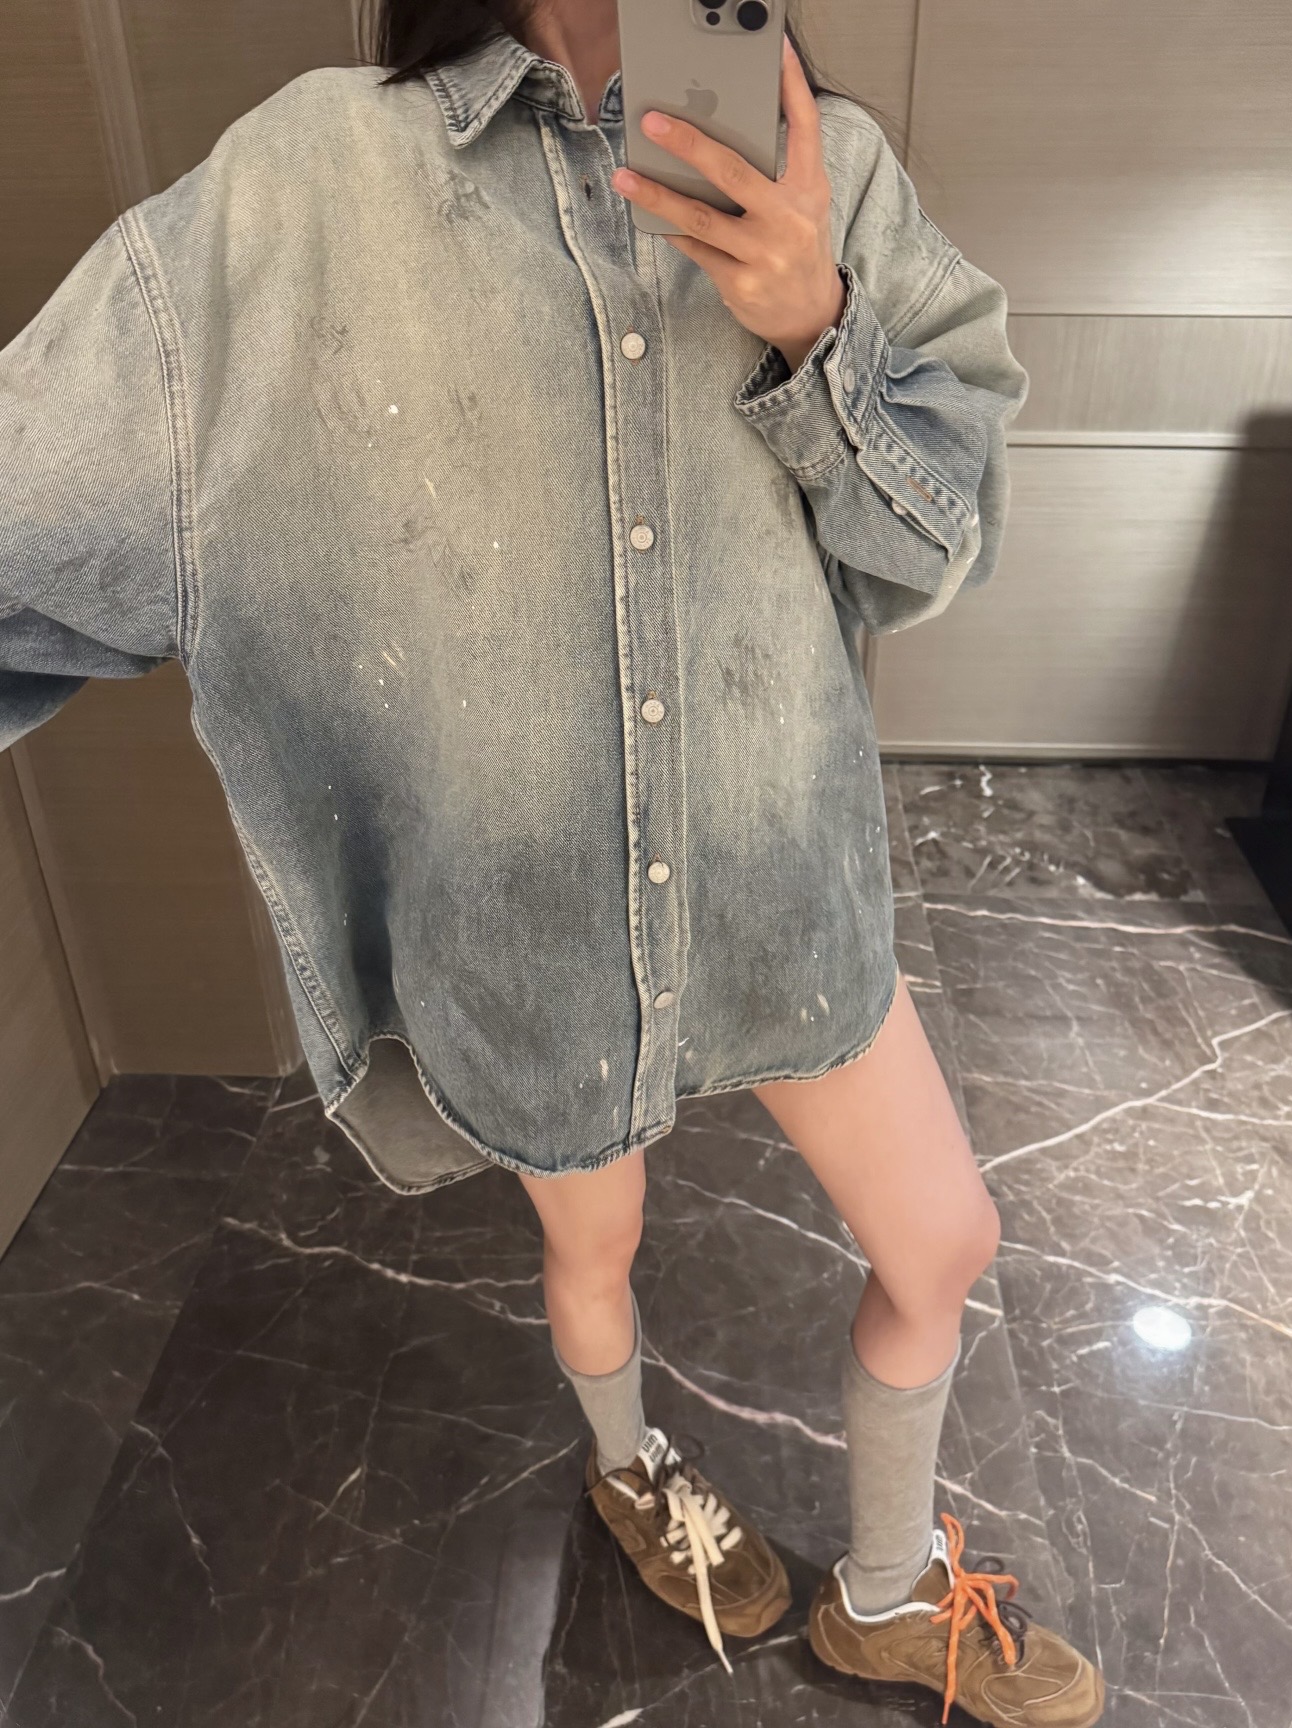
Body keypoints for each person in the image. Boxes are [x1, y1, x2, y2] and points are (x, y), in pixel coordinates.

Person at [0, 0, 1101, 1722]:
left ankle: (885, 1596)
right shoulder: (302, 185)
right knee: (597, 1250)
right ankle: (629, 1465)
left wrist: (821, 330)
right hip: (532, 938)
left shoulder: (828, 164)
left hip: (783, 901)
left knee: (943, 1241)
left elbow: (934, 546)